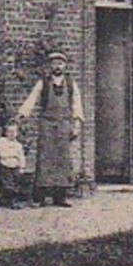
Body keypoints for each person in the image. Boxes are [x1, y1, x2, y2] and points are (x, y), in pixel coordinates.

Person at [15, 50, 83, 207]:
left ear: (65, 66)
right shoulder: (43, 83)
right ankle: (40, 197)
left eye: (60, 63)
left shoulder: (72, 84)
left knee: (63, 159)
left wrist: (77, 124)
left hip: (64, 123)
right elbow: (32, 99)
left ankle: (61, 197)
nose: (57, 66)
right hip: (47, 123)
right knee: (45, 158)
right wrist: (22, 115)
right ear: (50, 66)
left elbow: (76, 105)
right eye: (54, 63)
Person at [0, 123, 30, 208]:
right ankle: (9, 201)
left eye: (14, 132)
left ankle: (15, 199)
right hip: (5, 164)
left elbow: (21, 157)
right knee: (7, 182)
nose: (11, 134)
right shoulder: (2, 141)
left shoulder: (18, 145)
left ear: (17, 133)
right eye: (9, 132)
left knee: (16, 182)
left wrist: (22, 167)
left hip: (15, 165)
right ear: (6, 133)